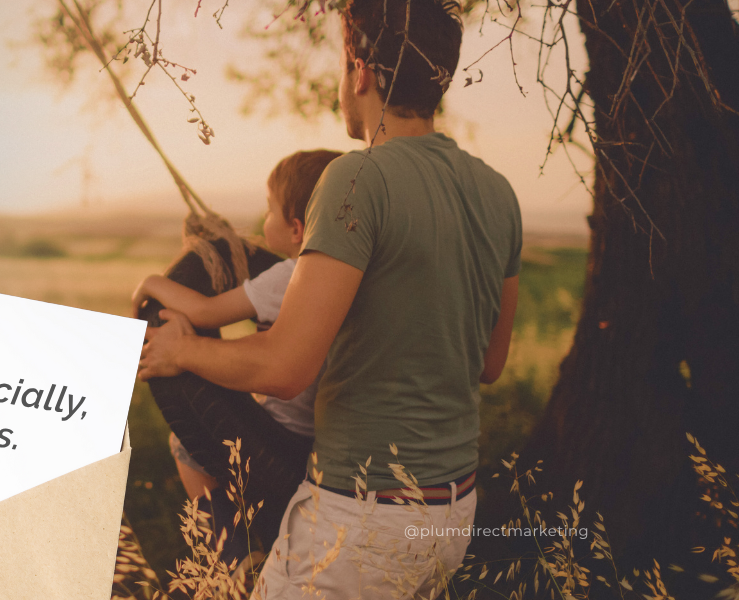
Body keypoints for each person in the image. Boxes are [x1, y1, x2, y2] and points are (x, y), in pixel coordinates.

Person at [138, 0, 522, 597]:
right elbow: (490, 363)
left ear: (360, 71)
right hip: (452, 513)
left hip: (361, 518)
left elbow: (284, 368)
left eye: (343, 68)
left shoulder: (356, 178)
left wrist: (181, 352)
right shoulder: (497, 193)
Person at [132, 150, 341, 501]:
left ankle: (218, 530)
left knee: (183, 446)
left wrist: (151, 283)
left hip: (284, 435)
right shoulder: (345, 277)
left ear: (296, 229)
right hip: (320, 435)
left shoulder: (292, 276)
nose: (265, 218)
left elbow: (205, 312)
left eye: (270, 209)